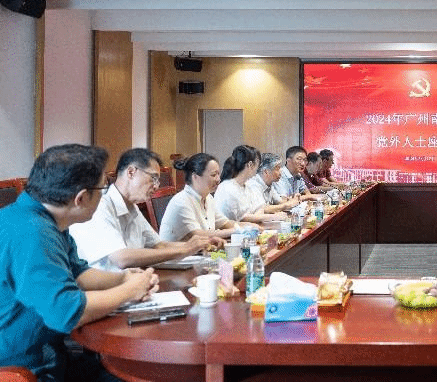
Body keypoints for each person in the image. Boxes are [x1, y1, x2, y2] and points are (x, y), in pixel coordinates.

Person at [0, 144, 158, 380]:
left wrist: (123, 278)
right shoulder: (32, 233)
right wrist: (129, 291)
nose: (105, 194)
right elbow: (67, 311)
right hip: (23, 367)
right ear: (81, 198)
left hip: (51, 350)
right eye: (102, 188)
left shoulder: (45, 218)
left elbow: (78, 273)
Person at [70, 148, 221, 271]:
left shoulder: (132, 207)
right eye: (153, 178)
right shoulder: (101, 206)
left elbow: (159, 245)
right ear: (131, 172)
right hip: (105, 290)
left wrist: (201, 244)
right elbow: (122, 258)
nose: (156, 186)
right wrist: (185, 249)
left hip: (134, 281)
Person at [160, 153, 258, 241]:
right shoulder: (182, 201)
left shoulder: (208, 198)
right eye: (213, 175)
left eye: (218, 174)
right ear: (195, 177)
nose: (218, 179)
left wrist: (252, 227)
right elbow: (198, 235)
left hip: (202, 251)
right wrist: (238, 230)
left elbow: (225, 223)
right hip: (180, 255)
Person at [214, 145, 288, 224]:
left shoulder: (246, 186)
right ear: (250, 165)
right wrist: (273, 217)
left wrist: (259, 216)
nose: (258, 169)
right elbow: (241, 218)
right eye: (258, 164)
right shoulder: (228, 187)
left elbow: (260, 208)